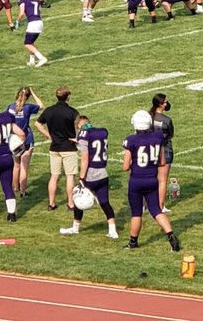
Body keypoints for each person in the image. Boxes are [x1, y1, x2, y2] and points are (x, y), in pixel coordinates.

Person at [121, 110, 181, 252]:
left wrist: (134, 163)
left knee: (136, 212)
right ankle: (171, 236)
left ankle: (133, 242)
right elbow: (162, 162)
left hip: (136, 181)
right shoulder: (157, 137)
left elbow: (125, 167)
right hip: (152, 180)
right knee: (156, 210)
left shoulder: (131, 140)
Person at [61, 115, 118, 239]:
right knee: (104, 202)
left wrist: (82, 178)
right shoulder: (102, 132)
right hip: (103, 173)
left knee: (77, 197)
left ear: (80, 126)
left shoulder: (84, 135)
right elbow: (94, 144)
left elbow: (85, 158)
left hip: (91, 174)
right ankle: (112, 230)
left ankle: (75, 228)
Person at [37, 86, 80, 212]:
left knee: (54, 176)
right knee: (70, 177)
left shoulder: (49, 110)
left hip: (54, 147)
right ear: (68, 97)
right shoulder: (72, 112)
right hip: (69, 147)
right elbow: (80, 126)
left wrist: (48, 135)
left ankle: (51, 203)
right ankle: (70, 204)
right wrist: (78, 139)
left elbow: (38, 123)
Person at [6, 87, 43, 197]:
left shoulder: (10, 107)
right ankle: (23, 192)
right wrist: (33, 93)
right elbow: (41, 105)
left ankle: (16, 187)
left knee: (16, 166)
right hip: (26, 139)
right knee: (24, 168)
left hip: (13, 140)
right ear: (27, 97)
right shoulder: (28, 107)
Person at [150, 94, 175, 213]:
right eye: (165, 102)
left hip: (149, 150)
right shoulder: (166, 120)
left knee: (150, 178)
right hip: (165, 150)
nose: (167, 104)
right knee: (162, 180)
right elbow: (171, 135)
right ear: (160, 104)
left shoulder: (148, 116)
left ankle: (146, 204)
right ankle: (160, 206)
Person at [17, 0, 48, 67]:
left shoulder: (23, 0)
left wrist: (17, 22)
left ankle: (42, 58)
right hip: (40, 22)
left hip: (33, 23)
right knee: (31, 42)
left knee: (27, 44)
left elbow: (21, 13)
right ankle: (32, 61)